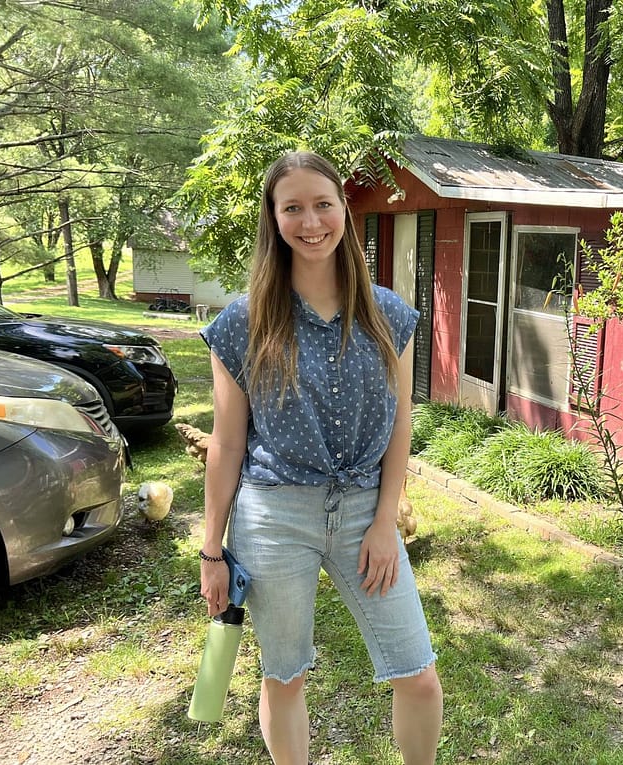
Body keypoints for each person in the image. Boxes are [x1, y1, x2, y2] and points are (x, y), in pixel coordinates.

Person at [198, 150, 443, 765]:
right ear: (273, 218)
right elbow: (227, 445)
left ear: (344, 211)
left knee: (417, 674)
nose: (311, 222)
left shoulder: (389, 316)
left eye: (323, 204)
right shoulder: (244, 323)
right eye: (293, 208)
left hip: (365, 510)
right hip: (273, 514)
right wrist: (211, 551)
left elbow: (399, 422)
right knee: (284, 677)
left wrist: (386, 520)